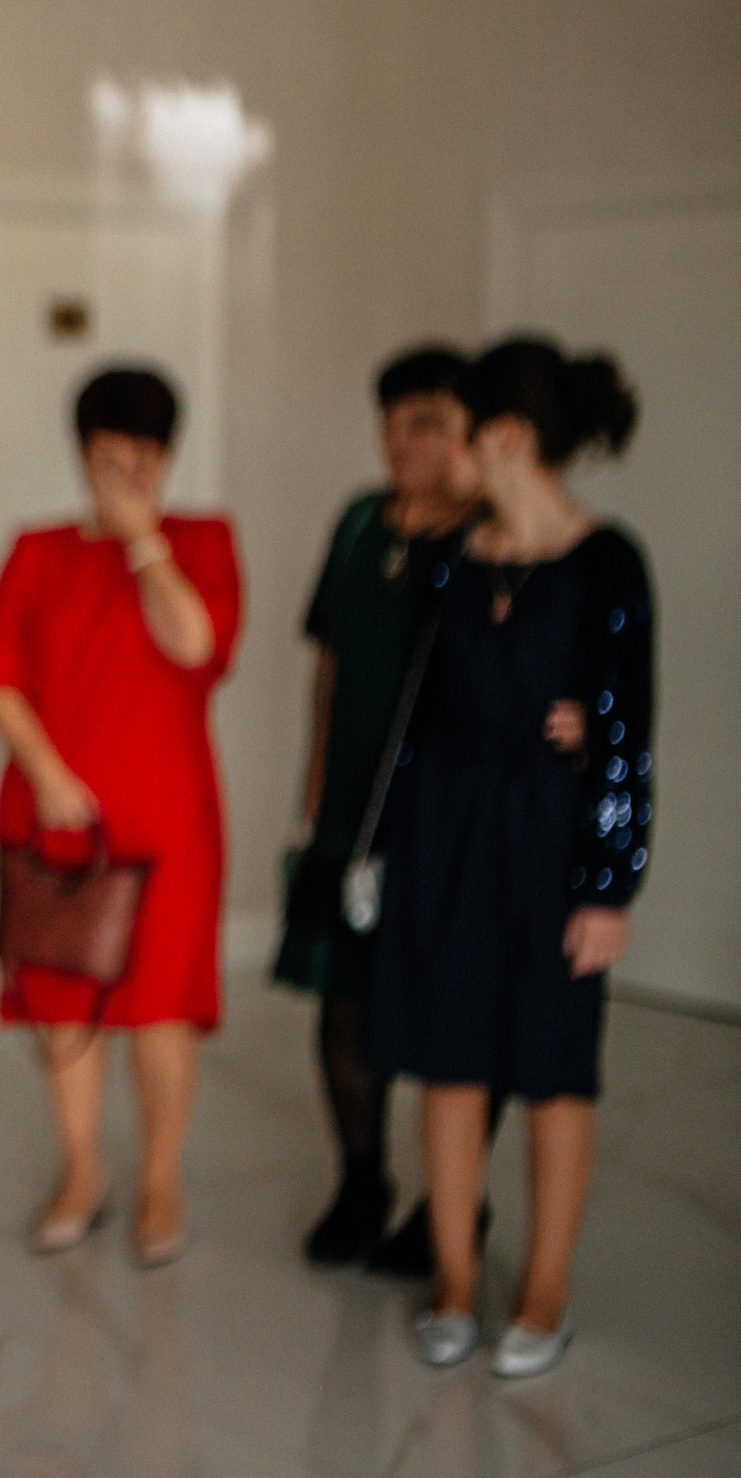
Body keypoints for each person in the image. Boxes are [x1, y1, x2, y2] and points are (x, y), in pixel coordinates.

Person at [370, 335, 649, 1379]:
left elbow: (626, 731)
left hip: (550, 839)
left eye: (460, 433)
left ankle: (542, 1290)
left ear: (509, 438)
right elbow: (419, 710)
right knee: (448, 1061)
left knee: (550, 1072)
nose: (448, 456)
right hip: (447, 832)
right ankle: (451, 1277)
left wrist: (610, 884)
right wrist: (391, 844)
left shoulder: (607, 562)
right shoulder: (449, 558)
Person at [0, 365, 243, 1267]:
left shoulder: (201, 540)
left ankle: (161, 1175)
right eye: (112, 459)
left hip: (167, 818)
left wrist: (143, 542)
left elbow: (197, 645)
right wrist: (44, 771)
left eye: (147, 460)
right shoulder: (37, 549)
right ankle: (82, 1168)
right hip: (57, 817)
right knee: (63, 1003)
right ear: (83, 455)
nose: (129, 475)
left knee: (160, 1004)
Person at [280, 344, 490, 1274]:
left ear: (472, 434)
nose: (402, 442)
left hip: (447, 815)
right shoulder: (363, 524)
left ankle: (457, 1199)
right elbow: (328, 659)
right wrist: (316, 777)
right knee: (346, 1002)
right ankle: (362, 1178)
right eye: (392, 422)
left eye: (428, 424)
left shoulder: (489, 540)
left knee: (451, 1013)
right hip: (353, 809)